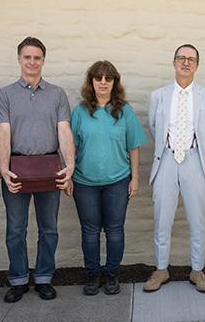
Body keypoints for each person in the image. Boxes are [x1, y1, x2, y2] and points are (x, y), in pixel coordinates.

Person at [0, 37, 75, 302]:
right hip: (17, 168)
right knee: (16, 229)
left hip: (49, 167)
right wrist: (4, 169)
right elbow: (3, 132)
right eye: (27, 57)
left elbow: (64, 130)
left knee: (48, 228)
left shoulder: (57, 94)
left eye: (37, 58)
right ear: (19, 59)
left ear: (43, 60)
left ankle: (43, 278)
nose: (32, 62)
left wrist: (70, 164)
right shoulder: (5, 94)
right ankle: (18, 279)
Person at [67, 61, 147, 296]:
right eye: (98, 78)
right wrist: (69, 176)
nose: (103, 82)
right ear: (91, 81)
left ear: (114, 82)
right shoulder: (80, 112)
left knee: (114, 230)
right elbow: (70, 146)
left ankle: (112, 275)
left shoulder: (125, 111)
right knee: (90, 231)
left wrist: (135, 179)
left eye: (108, 78)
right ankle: (92, 276)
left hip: (118, 181)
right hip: (84, 182)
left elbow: (133, 146)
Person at [144, 44, 205, 293]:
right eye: (181, 58)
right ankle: (161, 269)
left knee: (198, 219)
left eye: (191, 59)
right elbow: (154, 126)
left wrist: (192, 150)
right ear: (174, 62)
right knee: (162, 219)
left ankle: (197, 270)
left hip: (195, 158)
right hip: (165, 158)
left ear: (197, 65)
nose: (186, 63)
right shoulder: (159, 95)